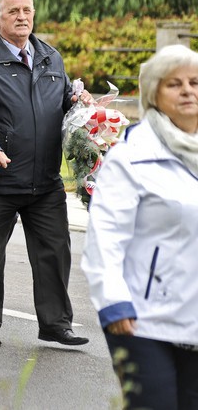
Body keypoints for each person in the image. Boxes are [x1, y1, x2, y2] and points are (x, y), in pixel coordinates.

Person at [0, 0, 90, 348]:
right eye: (13, 11)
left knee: (55, 253)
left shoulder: (50, 57)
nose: (22, 17)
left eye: (27, 9)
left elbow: (61, 103)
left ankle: (56, 324)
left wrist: (81, 103)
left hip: (45, 180)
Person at [81, 45, 198, 409]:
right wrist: (113, 301)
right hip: (142, 319)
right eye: (174, 84)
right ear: (152, 94)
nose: (188, 91)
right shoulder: (131, 157)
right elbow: (106, 236)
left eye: (195, 82)